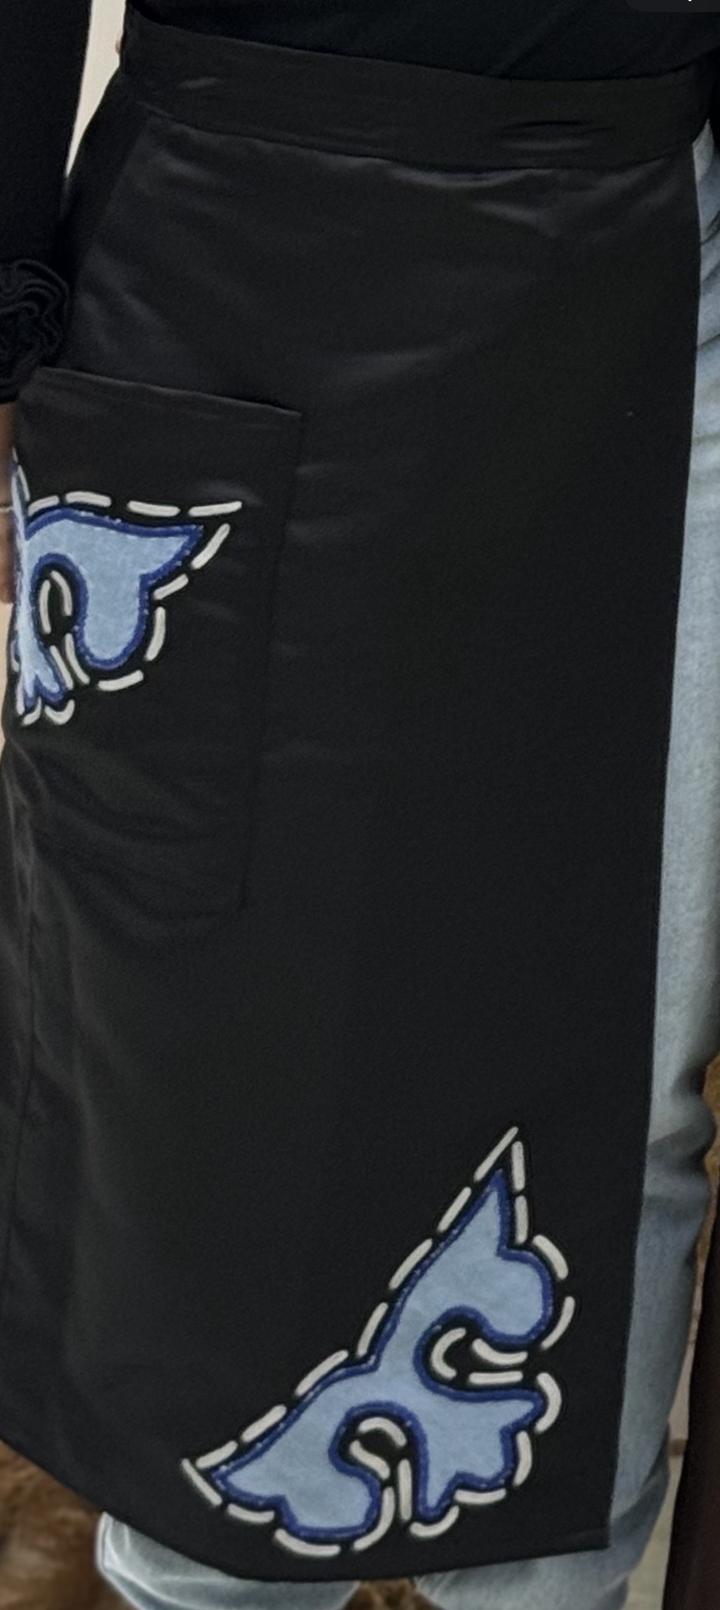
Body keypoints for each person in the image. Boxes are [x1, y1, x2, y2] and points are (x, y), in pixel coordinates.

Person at [1, 4, 720, 1609]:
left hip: (660, 240)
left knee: (618, 1041)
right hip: (241, 250)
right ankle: (202, 1582)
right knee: (204, 1059)